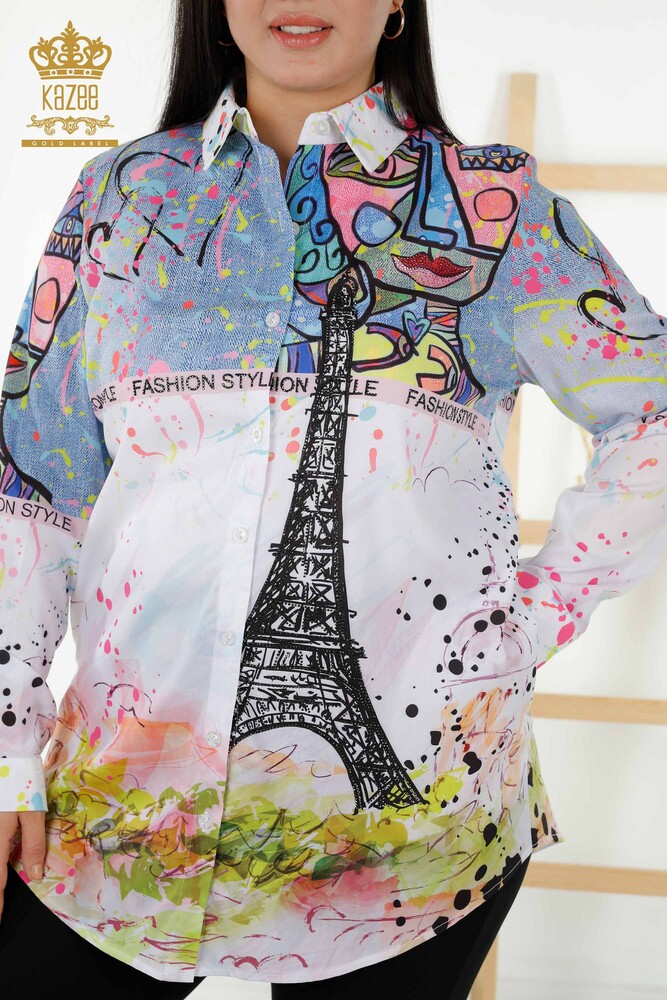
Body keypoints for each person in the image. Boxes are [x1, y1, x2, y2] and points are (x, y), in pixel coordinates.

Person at [1, 1, 666, 998]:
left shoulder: (491, 209)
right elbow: (29, 479)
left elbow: (651, 411)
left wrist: (524, 620)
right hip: (121, 799)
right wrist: (8, 744)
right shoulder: (120, 198)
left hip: (413, 834)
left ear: (395, 0)